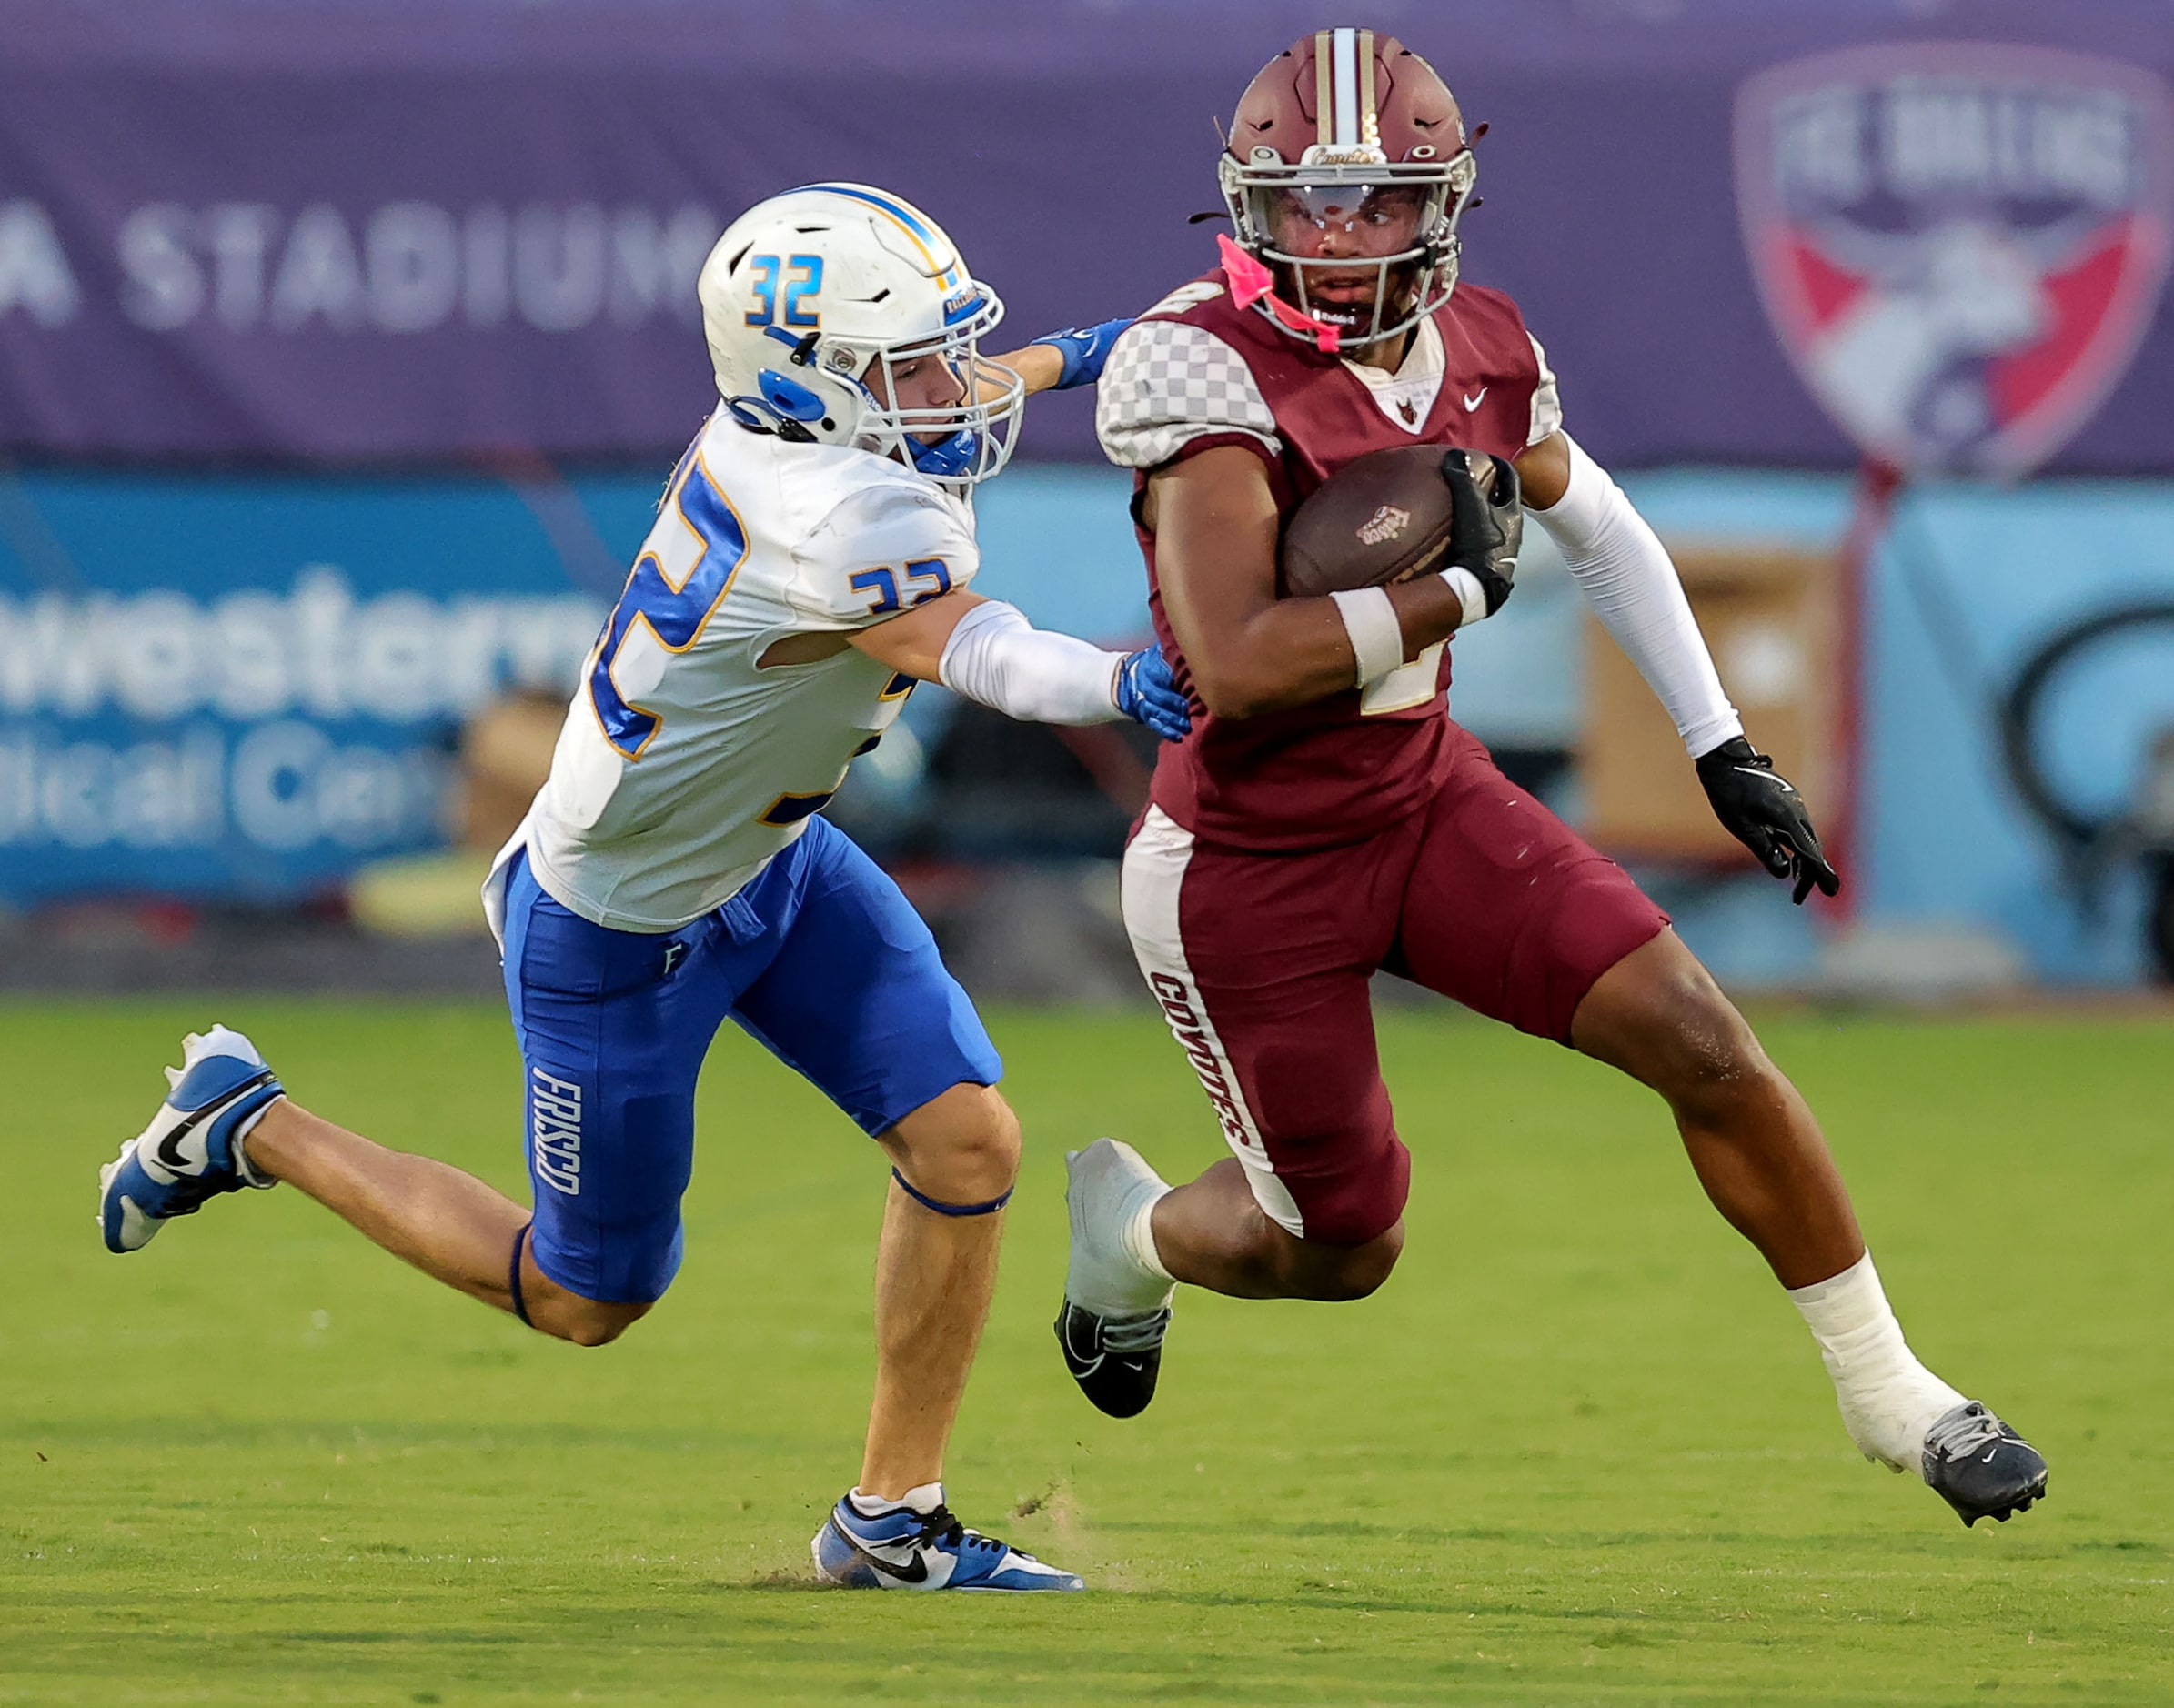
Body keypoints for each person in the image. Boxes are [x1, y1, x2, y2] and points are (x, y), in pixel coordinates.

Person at [97, 183, 1177, 1592]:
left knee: (967, 1141)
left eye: (932, 351)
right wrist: (1127, 683)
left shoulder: (787, 427)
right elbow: (987, 655)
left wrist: (1084, 350)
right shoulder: (833, 514)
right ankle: (250, 1122)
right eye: (899, 363)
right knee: (585, 1295)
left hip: (771, 858)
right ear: (813, 384)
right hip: (618, 927)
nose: (942, 388)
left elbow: (957, 390)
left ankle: (889, 1516)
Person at [1055, 32, 2047, 1530]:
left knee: (1703, 1041)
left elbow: (1596, 519)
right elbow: (1242, 664)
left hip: (1421, 796)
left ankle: (1890, 1389)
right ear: (1242, 203)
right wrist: (1454, 593)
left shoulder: (1483, 344)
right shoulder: (1189, 359)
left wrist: (1718, 740)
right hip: (1246, 862)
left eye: (1378, 205)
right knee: (1338, 1244)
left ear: (1443, 202)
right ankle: (1129, 1235)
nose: (1337, 241)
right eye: (1307, 206)